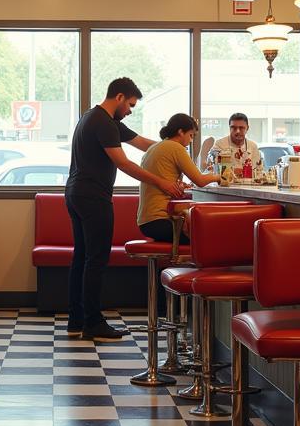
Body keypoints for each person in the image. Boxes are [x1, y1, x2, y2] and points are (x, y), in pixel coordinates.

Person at [65, 77, 185, 342]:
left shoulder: (95, 118)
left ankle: (77, 320)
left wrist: (175, 152)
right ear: (119, 97)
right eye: (130, 104)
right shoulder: (103, 123)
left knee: (82, 257)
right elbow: (124, 164)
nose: (131, 110)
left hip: (75, 193)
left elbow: (144, 143)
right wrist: (161, 180)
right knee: (95, 260)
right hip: (92, 197)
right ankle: (93, 323)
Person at [138, 114, 220, 244]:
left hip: (146, 222)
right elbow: (200, 180)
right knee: (213, 235)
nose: (191, 140)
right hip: (161, 220)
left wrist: (179, 185)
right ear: (181, 132)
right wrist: (218, 176)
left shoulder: (155, 147)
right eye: (191, 135)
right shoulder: (176, 148)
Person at [200, 112, 262, 179]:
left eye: (241, 128)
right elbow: (213, 169)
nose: (237, 131)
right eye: (233, 128)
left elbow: (258, 171)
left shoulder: (253, 146)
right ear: (229, 128)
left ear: (247, 128)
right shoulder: (219, 145)